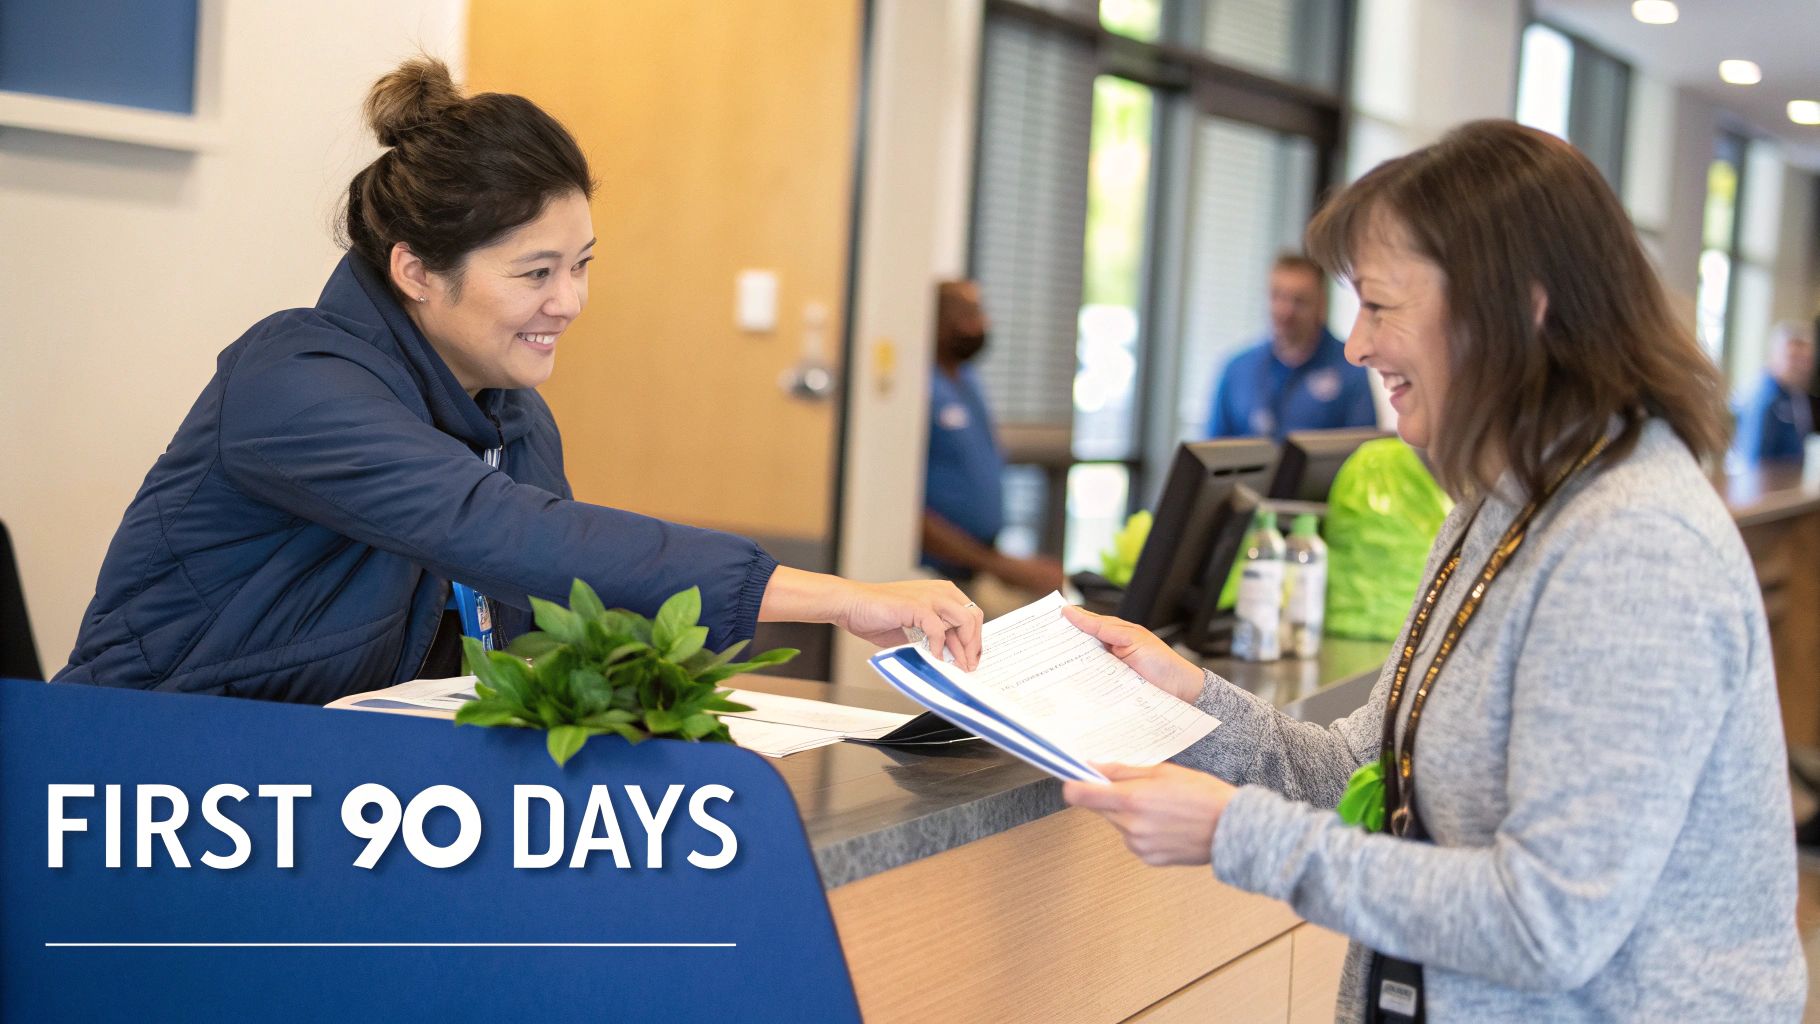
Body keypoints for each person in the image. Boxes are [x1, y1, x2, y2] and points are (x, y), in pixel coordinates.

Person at [1062, 120, 1804, 1021]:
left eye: (1380, 305)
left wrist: (1234, 834)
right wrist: (1187, 698)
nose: (1356, 348)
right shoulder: (1496, 506)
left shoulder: (1633, 548)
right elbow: (1364, 773)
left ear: (1517, 307)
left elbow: (1545, 923)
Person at [54, 58, 982, 704]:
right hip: (141, 773)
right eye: (536, 273)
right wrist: (844, 597)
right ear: (416, 271)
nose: (570, 301)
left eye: (581, 263)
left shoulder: (514, 416)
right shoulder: (291, 380)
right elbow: (502, 533)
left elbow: (556, 616)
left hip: (337, 787)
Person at [920, 280, 1064, 602]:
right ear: (935, 320)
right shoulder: (920, 388)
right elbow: (908, 510)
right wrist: (1002, 566)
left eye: (980, 313)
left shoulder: (968, 381)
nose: (981, 325)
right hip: (934, 574)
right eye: (967, 315)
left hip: (978, 567)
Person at [1206, 253, 1378, 439]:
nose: (1286, 311)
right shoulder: (1237, 369)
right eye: (1277, 296)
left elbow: (1362, 449)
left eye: (1299, 301)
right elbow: (1212, 451)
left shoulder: (1349, 369)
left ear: (1321, 305)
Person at [1734, 319, 1816, 463]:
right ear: (1774, 356)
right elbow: (1753, 459)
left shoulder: (1796, 394)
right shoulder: (1763, 397)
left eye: (1806, 360)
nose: (1801, 367)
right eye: (1793, 358)